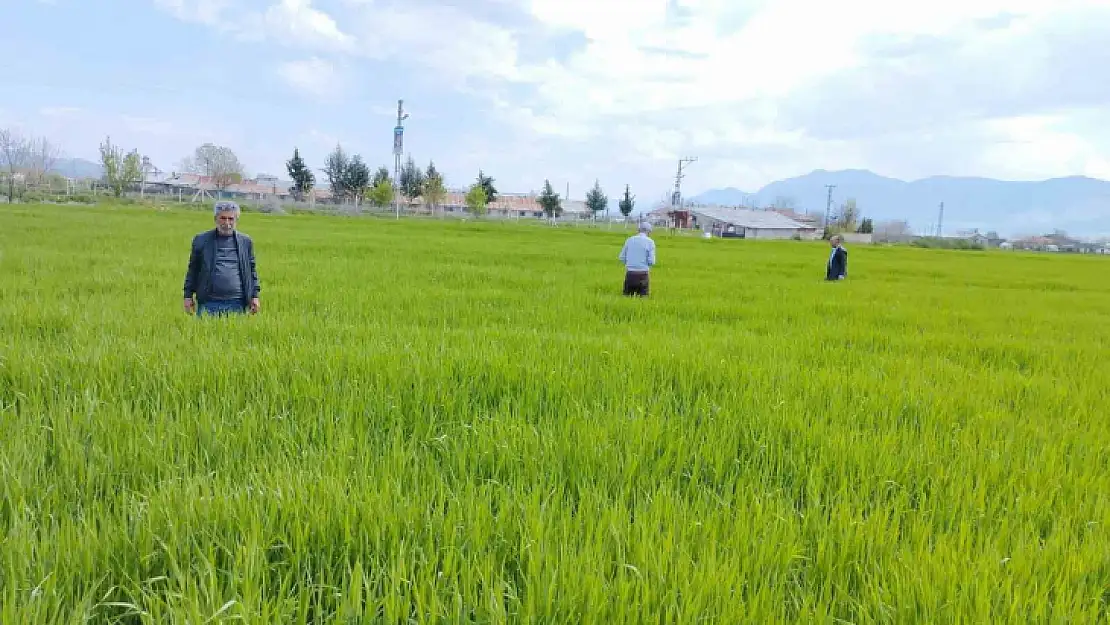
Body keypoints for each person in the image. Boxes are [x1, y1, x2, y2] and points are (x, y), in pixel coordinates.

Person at [183, 201, 261, 316]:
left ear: (236, 220)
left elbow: (252, 271)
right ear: (216, 219)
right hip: (209, 302)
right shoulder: (201, 240)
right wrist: (188, 296)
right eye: (223, 218)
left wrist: (255, 296)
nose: (227, 223)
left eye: (231, 219)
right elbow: (193, 270)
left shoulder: (245, 242)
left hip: (237, 303)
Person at [619, 222, 656, 297]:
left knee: (627, 299)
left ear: (638, 230)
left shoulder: (629, 240)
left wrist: (631, 264)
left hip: (630, 274)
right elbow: (652, 261)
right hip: (643, 275)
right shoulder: (650, 242)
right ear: (648, 231)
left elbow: (622, 257)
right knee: (643, 301)